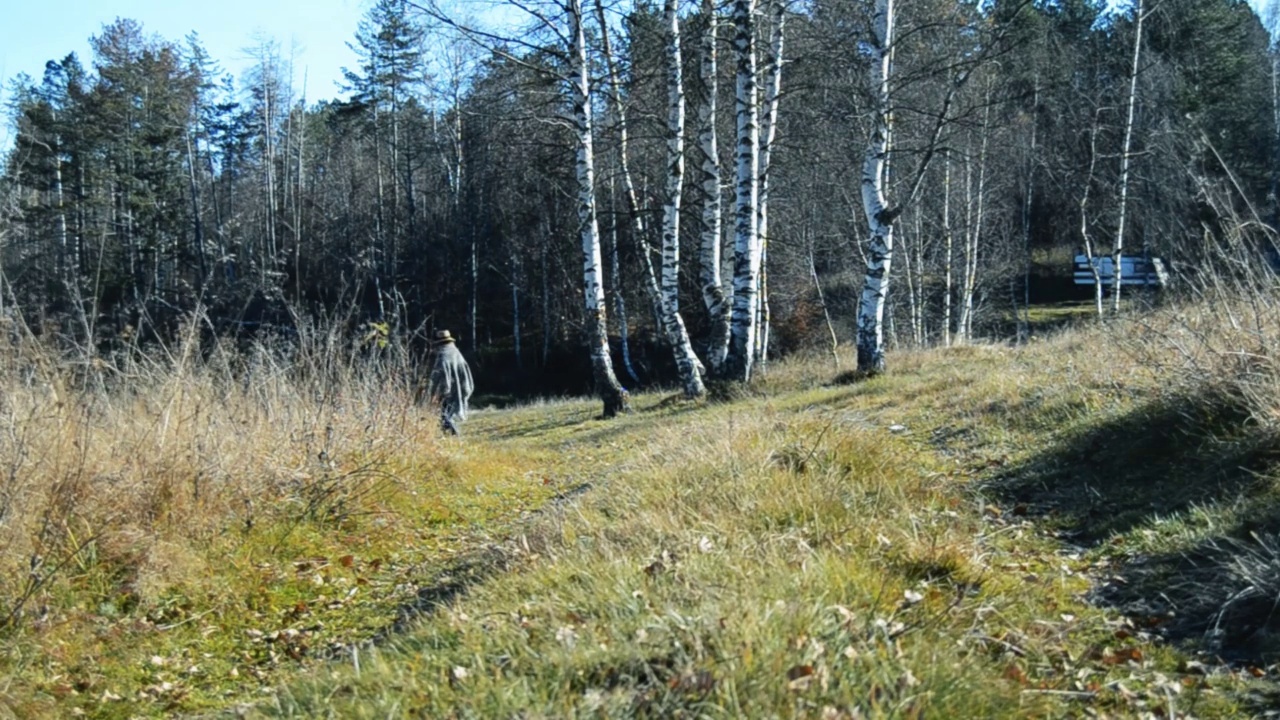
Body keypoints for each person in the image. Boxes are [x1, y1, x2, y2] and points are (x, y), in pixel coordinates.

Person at [427, 329, 474, 435]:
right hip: (460, 388)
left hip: (448, 391)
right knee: (448, 415)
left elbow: (437, 377)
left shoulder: (443, 356)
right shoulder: (456, 353)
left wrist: (434, 392)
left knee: (445, 416)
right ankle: (448, 436)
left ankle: (454, 435)